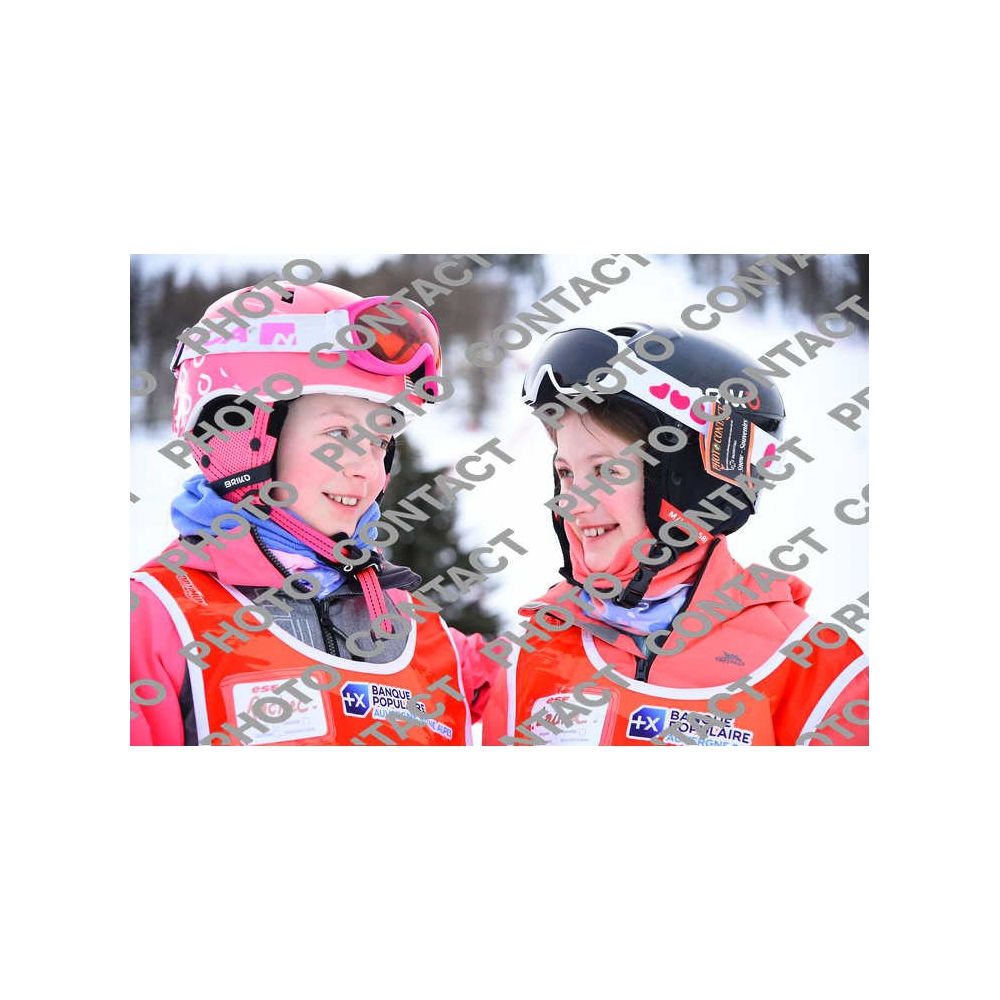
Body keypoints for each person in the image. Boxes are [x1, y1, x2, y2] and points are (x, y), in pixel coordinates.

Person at [131, 281, 496, 745]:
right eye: (339, 434)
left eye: (380, 441)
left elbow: (546, 678)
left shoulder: (420, 632)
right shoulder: (152, 622)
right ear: (237, 435)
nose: (366, 469)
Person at [482, 323, 869, 746]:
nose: (573, 502)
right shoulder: (533, 651)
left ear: (693, 485)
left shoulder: (809, 668)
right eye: (566, 472)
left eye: (607, 470)